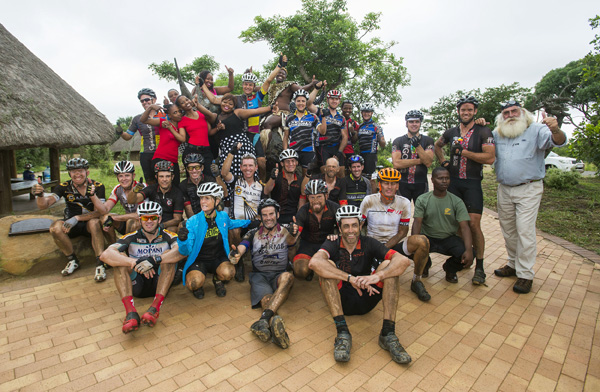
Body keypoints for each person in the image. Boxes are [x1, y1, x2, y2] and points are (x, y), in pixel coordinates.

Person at [309, 205, 412, 363]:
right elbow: (314, 263)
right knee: (326, 267)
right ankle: (342, 333)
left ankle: (388, 333)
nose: (351, 230)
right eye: (346, 226)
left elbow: (403, 261)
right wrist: (350, 278)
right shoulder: (333, 243)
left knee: (388, 266)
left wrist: (377, 276)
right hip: (342, 300)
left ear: (360, 225)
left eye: (354, 225)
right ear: (339, 227)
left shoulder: (369, 242)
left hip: (368, 295)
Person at [492, 101, 567, 294]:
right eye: (506, 113)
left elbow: (558, 140)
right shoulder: (498, 132)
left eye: (514, 111)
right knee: (508, 229)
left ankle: (525, 274)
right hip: (505, 188)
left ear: (523, 112)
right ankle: (513, 264)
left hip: (529, 188)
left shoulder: (537, 129)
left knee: (524, 230)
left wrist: (555, 128)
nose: (510, 115)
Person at [434, 96, 495, 286]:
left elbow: (490, 158)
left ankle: (480, 268)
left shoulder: (483, 130)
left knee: (474, 224)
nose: (466, 113)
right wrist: (443, 162)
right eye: (463, 110)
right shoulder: (452, 132)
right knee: (459, 225)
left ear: (475, 111)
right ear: (458, 111)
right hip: (454, 183)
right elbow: (437, 145)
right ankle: (460, 261)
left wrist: (464, 153)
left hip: (472, 182)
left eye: (469, 110)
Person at [100, 201, 184, 334]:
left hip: (159, 282)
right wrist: (134, 262)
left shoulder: (168, 235)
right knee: (120, 262)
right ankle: (131, 314)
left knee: (169, 257)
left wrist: (154, 260)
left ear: (159, 219)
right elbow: (105, 255)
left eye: (153, 217)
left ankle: (154, 309)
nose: (149, 221)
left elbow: (181, 251)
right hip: (138, 284)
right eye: (145, 218)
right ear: (139, 220)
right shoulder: (131, 237)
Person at [229, 199, 298, 349]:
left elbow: (292, 241)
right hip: (259, 276)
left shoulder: (285, 230)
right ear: (260, 217)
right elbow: (242, 246)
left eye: (271, 214)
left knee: (289, 277)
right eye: (264, 215)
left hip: (280, 274)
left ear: (277, 214)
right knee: (267, 300)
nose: (268, 218)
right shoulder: (252, 233)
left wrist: (294, 231)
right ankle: (273, 327)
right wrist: (236, 254)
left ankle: (263, 320)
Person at [359, 168, 431, 301]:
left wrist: (384, 249)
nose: (389, 187)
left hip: (392, 245)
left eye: (393, 183)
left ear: (397, 186)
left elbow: (403, 232)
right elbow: (358, 226)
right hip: (372, 245)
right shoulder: (369, 200)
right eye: (386, 183)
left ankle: (417, 281)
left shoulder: (404, 202)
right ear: (380, 184)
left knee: (422, 241)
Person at [31, 158, 108, 281]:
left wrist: (78, 217)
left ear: (87, 172)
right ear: (69, 174)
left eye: (80, 171)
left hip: (88, 224)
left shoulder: (97, 186)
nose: (77, 174)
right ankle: (73, 260)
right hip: (71, 225)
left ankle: (100, 263)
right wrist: (40, 195)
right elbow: (44, 205)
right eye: (73, 172)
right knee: (54, 228)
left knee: (94, 223)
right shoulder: (63, 187)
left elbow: (101, 211)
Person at [177, 183, 250, 299]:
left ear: (217, 201)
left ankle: (217, 279)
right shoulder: (193, 221)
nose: (203, 202)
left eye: (207, 198)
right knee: (194, 283)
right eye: (201, 198)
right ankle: (199, 283)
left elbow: (233, 223)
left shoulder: (223, 216)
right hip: (199, 259)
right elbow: (185, 251)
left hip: (217, 257)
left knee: (229, 273)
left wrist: (251, 222)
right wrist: (182, 240)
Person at [411, 167, 473, 283]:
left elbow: (465, 227)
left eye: (447, 178)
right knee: (409, 247)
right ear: (433, 180)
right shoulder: (423, 199)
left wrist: (469, 249)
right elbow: (417, 222)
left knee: (469, 253)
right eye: (440, 178)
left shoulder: (457, 201)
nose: (444, 181)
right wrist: (414, 242)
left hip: (448, 238)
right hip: (428, 238)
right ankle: (424, 264)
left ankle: (450, 269)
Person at [293, 179, 340, 280]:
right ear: (307, 198)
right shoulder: (303, 211)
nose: (315, 201)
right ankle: (311, 269)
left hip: (327, 244)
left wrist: (338, 236)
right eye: (312, 197)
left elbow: (345, 228)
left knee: (340, 268)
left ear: (326, 196)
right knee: (300, 271)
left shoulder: (334, 208)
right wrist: (292, 232)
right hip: (308, 244)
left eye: (319, 196)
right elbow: (295, 236)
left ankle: (320, 267)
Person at [127, 161, 184, 233]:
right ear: (156, 177)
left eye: (167, 176)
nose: (164, 179)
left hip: (168, 223)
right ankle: (127, 243)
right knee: (132, 223)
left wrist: (161, 225)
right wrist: (134, 190)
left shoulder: (178, 193)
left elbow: (177, 219)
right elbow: (131, 201)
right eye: (161, 176)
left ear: (172, 177)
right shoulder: (152, 188)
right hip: (152, 220)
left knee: (172, 230)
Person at [119, 88, 162, 184]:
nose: (144, 102)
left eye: (147, 99)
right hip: (145, 153)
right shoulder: (137, 119)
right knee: (150, 180)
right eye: (142, 101)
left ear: (154, 99)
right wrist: (120, 132)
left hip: (162, 152)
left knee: (163, 179)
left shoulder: (164, 114)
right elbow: (128, 136)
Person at [392, 110, 435, 202]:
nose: (414, 124)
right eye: (411, 122)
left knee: (422, 214)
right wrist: (420, 160)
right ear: (406, 123)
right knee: (401, 213)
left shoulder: (428, 140)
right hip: (402, 182)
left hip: (421, 182)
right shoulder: (398, 141)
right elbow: (396, 164)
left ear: (420, 123)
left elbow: (427, 163)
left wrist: (418, 146)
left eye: (417, 121)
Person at [141, 103, 185, 186]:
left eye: (179, 111)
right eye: (175, 112)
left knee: (175, 186)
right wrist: (150, 107)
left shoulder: (181, 126)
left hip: (174, 160)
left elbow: (182, 139)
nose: (178, 114)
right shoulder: (163, 122)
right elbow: (143, 120)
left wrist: (170, 128)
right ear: (170, 116)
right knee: (160, 187)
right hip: (160, 159)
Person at [101, 161, 144, 244]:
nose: (124, 179)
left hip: (142, 223)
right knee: (106, 218)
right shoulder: (117, 189)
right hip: (126, 221)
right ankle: (114, 247)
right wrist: (93, 196)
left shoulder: (141, 187)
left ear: (133, 176)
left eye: (127, 175)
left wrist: (116, 218)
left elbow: (139, 214)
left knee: (131, 221)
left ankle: (129, 250)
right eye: (121, 176)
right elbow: (105, 209)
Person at [176, 95, 218, 177]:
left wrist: (218, 128)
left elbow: (209, 130)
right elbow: (182, 138)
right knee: (193, 177)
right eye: (182, 103)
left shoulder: (201, 114)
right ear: (180, 107)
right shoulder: (182, 120)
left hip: (206, 150)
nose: (186, 103)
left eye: (187, 99)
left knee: (210, 175)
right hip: (192, 150)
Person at [264, 149, 308, 224]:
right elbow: (266, 191)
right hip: (276, 216)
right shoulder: (277, 177)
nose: (290, 164)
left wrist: (298, 218)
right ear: (282, 163)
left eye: (293, 161)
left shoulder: (300, 180)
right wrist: (272, 178)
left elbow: (303, 199)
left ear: (297, 163)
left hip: (293, 216)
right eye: (287, 161)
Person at [283, 89, 323, 175]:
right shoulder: (288, 118)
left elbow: (322, 131)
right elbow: (286, 137)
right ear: (294, 102)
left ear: (306, 102)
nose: (301, 103)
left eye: (303, 101)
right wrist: (285, 152)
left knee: (306, 176)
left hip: (308, 151)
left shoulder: (313, 116)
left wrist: (323, 117)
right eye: (298, 101)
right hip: (293, 150)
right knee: (291, 175)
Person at [179, 153, 226, 218]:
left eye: (197, 167)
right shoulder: (183, 185)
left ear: (202, 168)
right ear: (187, 169)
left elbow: (225, 194)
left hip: (211, 215)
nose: (194, 170)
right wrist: (195, 223)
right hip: (194, 217)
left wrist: (217, 176)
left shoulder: (209, 180)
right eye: (190, 168)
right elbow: (188, 208)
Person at [316, 90, 348, 172]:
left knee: (341, 172)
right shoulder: (321, 112)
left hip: (336, 147)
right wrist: (318, 88)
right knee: (325, 172)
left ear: (339, 101)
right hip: (323, 147)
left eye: (336, 99)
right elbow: (309, 104)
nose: (334, 101)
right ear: (327, 100)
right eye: (332, 99)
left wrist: (339, 153)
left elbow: (345, 137)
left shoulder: (341, 118)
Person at [357, 103, 386, 181]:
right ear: (361, 113)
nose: (366, 113)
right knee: (361, 177)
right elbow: (354, 140)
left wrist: (379, 137)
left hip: (371, 155)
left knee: (370, 178)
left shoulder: (376, 126)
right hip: (361, 154)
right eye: (364, 112)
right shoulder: (360, 126)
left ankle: (372, 192)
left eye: (368, 112)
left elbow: (383, 144)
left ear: (372, 113)